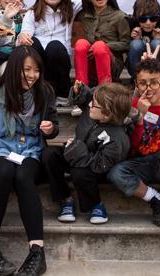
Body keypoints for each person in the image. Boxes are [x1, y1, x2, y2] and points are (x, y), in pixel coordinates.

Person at [0, 46, 58, 276]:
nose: (31, 75)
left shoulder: (46, 92)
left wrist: (50, 129)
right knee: (3, 172)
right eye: (26, 70)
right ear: (13, 69)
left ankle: (37, 252)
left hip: (30, 149)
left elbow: (52, 126)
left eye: (36, 70)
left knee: (23, 176)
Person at [107, 58, 160, 233]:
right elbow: (129, 146)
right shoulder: (132, 107)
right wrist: (139, 118)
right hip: (142, 163)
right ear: (136, 84)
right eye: (143, 83)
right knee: (116, 173)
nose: (149, 88)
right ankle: (156, 198)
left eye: (154, 83)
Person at [41, 81, 130, 226]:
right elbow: (88, 97)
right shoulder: (93, 111)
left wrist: (75, 149)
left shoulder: (118, 138)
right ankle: (65, 199)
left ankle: (96, 204)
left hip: (96, 169)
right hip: (78, 152)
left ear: (107, 114)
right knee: (49, 155)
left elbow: (100, 164)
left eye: (94, 104)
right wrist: (80, 91)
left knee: (79, 172)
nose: (89, 105)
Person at [18, 0, 81, 106]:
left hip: (59, 58)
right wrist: (23, 37)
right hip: (39, 61)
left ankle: (63, 94)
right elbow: (26, 33)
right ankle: (31, 92)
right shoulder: (32, 13)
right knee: (32, 42)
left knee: (55, 46)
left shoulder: (70, 8)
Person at [73, 0, 130, 86]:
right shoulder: (82, 16)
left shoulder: (119, 16)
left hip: (111, 65)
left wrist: (105, 46)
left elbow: (126, 44)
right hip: (90, 64)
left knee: (99, 46)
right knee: (80, 43)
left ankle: (105, 90)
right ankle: (80, 88)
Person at [128, 0, 160, 72]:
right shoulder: (132, 24)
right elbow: (127, 48)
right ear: (136, 18)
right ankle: (136, 77)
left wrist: (158, 38)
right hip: (136, 63)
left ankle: (159, 75)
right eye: (142, 19)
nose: (148, 23)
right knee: (136, 44)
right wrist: (136, 39)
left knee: (158, 43)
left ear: (158, 17)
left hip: (158, 64)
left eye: (153, 19)